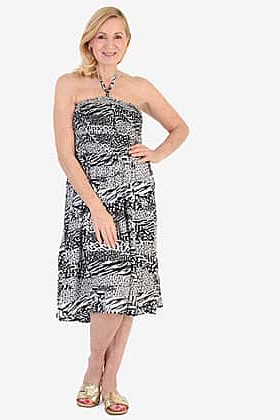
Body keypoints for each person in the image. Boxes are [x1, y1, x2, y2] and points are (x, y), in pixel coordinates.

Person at [53, 6, 189, 415]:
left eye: (118, 37)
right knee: (107, 287)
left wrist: (156, 154)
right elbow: (65, 154)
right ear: (89, 40)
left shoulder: (139, 86)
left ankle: (108, 377)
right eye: (102, 36)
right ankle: (95, 365)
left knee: (126, 289)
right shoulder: (69, 84)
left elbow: (180, 128)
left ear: (127, 42)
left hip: (135, 199)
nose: (110, 44)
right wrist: (96, 207)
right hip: (89, 198)